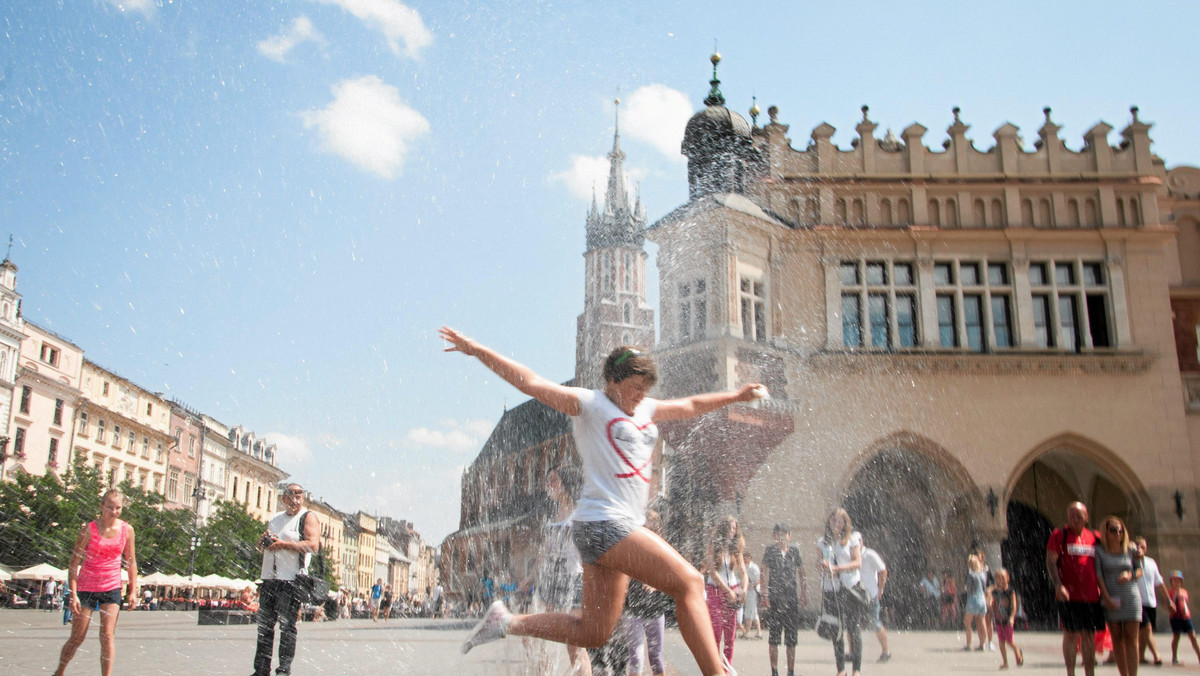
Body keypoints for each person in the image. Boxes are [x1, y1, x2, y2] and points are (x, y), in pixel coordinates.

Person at [444, 327, 762, 676]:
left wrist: (735, 396)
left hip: (614, 528)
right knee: (690, 582)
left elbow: (690, 405)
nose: (641, 395)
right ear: (612, 379)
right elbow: (530, 382)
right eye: (635, 387)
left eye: (646, 389)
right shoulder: (591, 404)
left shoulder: (646, 407)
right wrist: (476, 349)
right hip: (604, 523)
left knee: (594, 632)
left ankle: (507, 621)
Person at [53, 488, 138, 676]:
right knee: (77, 637)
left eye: (118, 508)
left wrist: (133, 590)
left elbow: (131, 561)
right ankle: (59, 672)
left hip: (112, 587)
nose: (114, 511)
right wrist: (73, 594)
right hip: (86, 587)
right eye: (110, 507)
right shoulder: (88, 530)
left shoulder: (127, 530)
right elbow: (74, 563)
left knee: (107, 636)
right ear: (101, 506)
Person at [524, 463, 590, 676]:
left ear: (566, 484)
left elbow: (591, 552)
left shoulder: (581, 514)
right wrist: (530, 577)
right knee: (539, 637)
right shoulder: (553, 516)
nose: (548, 484)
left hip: (573, 581)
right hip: (549, 583)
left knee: (575, 646)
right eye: (548, 480)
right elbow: (544, 552)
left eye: (553, 480)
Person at [252, 482, 320, 676]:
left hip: (291, 581)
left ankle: (283, 669)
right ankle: (261, 669)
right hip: (269, 579)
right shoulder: (275, 518)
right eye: (291, 495)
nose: (296, 499)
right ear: (284, 498)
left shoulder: (307, 517)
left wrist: (283, 544)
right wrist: (263, 542)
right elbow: (264, 545)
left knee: (287, 627)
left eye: (299, 495)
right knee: (264, 627)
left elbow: (313, 545)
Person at [1046, 501, 1105, 676]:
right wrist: (1058, 585)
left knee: (1089, 635)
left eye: (1078, 515)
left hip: (1091, 596)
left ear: (1086, 517)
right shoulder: (1060, 535)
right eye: (1071, 515)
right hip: (1068, 596)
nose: (1074, 519)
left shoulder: (1095, 538)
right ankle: (1070, 673)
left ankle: (1089, 672)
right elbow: (1051, 561)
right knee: (1070, 634)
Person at [623, 510, 671, 676]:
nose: (646, 532)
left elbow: (669, 578)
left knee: (656, 658)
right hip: (632, 608)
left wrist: (656, 584)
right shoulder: (631, 549)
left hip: (654, 609)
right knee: (635, 658)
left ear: (658, 531)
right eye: (643, 528)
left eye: (651, 528)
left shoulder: (663, 551)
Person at [819, 508, 865, 676]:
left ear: (845, 523)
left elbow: (857, 563)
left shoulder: (852, 539)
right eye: (833, 521)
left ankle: (856, 670)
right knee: (835, 629)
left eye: (839, 521)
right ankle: (841, 670)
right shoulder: (824, 542)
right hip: (832, 589)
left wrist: (838, 568)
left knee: (854, 628)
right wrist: (823, 565)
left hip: (850, 588)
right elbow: (819, 564)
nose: (835, 524)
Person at [1095, 515, 1142, 676]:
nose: (1118, 533)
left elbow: (1139, 569)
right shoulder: (1100, 551)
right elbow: (1099, 576)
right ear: (1106, 532)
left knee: (1131, 639)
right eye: (1113, 530)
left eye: (1120, 530)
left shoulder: (1130, 549)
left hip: (1131, 597)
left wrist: (1131, 575)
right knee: (1118, 639)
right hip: (1111, 597)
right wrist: (1106, 598)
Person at [761, 523, 805, 676]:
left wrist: (803, 593)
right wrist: (764, 595)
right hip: (775, 599)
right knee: (774, 637)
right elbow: (763, 571)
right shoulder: (770, 551)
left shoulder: (794, 551)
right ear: (774, 536)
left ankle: (790, 671)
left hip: (791, 598)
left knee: (791, 638)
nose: (781, 537)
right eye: (778, 534)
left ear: (789, 536)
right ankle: (774, 671)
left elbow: (802, 572)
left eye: (784, 533)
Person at [703, 516, 747, 664]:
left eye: (734, 528)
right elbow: (712, 571)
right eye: (729, 528)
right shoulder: (713, 545)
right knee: (715, 631)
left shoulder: (736, 549)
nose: (732, 531)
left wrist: (744, 589)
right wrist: (727, 591)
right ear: (723, 529)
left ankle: (727, 668)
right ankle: (714, 667)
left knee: (730, 634)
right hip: (715, 589)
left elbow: (743, 572)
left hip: (733, 590)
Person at [1133, 536, 1170, 666]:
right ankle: (1157, 655)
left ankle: (1140, 656)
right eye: (1137, 546)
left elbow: (1159, 582)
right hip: (1138, 601)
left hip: (1151, 602)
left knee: (1144, 632)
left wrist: (1168, 599)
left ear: (1146, 548)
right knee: (1147, 629)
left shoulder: (1151, 562)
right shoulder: (1131, 562)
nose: (1139, 548)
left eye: (1142, 546)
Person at [860, 536, 890, 662]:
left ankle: (886, 651)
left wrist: (880, 589)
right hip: (856, 596)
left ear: (862, 541)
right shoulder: (848, 554)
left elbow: (883, 570)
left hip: (871, 596)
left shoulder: (869, 554)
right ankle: (852, 652)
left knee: (875, 623)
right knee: (852, 624)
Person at [988, 568, 1023, 669]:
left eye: (1003, 578)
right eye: (998, 578)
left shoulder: (1010, 591)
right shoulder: (996, 592)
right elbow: (994, 605)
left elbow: (1014, 606)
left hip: (1008, 621)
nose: (1001, 580)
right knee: (1001, 641)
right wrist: (991, 607)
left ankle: (1017, 652)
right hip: (999, 620)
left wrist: (1012, 617)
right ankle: (1005, 662)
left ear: (1008, 578)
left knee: (1009, 641)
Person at [1168, 570, 1200, 665]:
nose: (1176, 582)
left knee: (1193, 636)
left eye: (1178, 580)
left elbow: (1185, 604)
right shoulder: (1170, 592)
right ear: (1171, 582)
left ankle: (1199, 656)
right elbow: (1170, 605)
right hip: (1175, 617)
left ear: (1181, 582)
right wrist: (1175, 595)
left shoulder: (1184, 592)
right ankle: (1174, 657)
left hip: (1186, 617)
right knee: (1176, 636)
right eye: (1174, 580)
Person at [963, 551, 988, 651]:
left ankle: (969, 644)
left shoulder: (971, 575)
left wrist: (966, 588)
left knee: (967, 623)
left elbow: (969, 589)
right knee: (982, 622)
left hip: (973, 600)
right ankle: (983, 644)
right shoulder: (981, 575)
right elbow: (984, 588)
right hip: (982, 600)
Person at [739, 552, 761, 640]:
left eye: (746, 558)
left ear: (750, 558)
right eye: (743, 558)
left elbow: (759, 579)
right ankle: (759, 632)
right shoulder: (744, 567)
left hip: (753, 591)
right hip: (747, 590)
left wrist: (753, 585)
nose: (744, 560)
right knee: (754, 612)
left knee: (749, 611)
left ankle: (747, 632)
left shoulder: (754, 567)